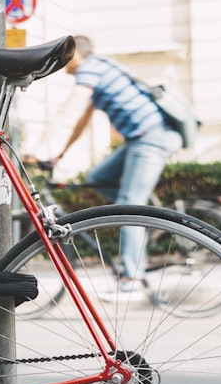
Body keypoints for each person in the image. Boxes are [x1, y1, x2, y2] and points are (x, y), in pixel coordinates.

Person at [51, 35, 183, 298]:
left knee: (127, 204)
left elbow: (71, 109)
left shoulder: (90, 70)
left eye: (64, 55)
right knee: (98, 177)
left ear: (75, 54)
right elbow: (81, 121)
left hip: (151, 138)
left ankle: (131, 279)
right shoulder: (101, 68)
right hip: (138, 140)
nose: (60, 62)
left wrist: (41, 146)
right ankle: (144, 216)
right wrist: (59, 154)